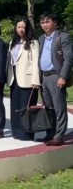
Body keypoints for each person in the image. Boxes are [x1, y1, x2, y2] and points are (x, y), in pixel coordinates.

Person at [38, 12, 73, 146]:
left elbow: (68, 58)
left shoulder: (63, 37)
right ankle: (50, 132)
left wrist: (63, 76)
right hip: (44, 77)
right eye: (42, 22)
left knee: (59, 107)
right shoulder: (41, 38)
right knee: (48, 107)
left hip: (56, 76)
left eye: (47, 22)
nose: (45, 25)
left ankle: (59, 136)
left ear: (54, 23)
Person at [7, 17, 40, 141]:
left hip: (28, 80)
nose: (21, 29)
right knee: (15, 107)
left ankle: (27, 133)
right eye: (19, 27)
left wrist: (36, 81)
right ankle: (16, 132)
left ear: (27, 28)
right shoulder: (13, 42)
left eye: (23, 27)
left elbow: (36, 62)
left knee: (26, 108)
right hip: (14, 78)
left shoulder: (33, 43)